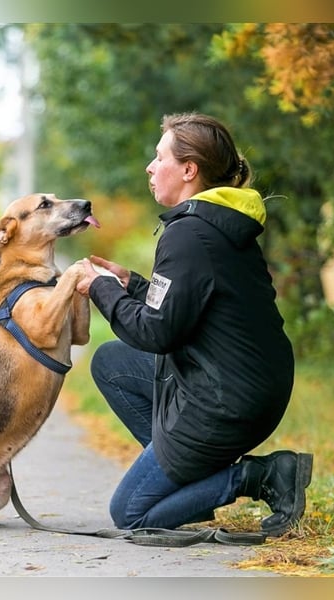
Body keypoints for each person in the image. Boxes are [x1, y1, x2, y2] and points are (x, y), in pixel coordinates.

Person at [74, 112, 312, 536]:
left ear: (188, 169)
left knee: (131, 514)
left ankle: (259, 477)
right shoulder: (215, 223)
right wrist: (130, 285)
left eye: (159, 157)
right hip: (252, 385)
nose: (150, 167)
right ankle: (191, 491)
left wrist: (100, 290)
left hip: (224, 401)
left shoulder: (188, 234)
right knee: (111, 362)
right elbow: (186, 307)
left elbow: (158, 333)